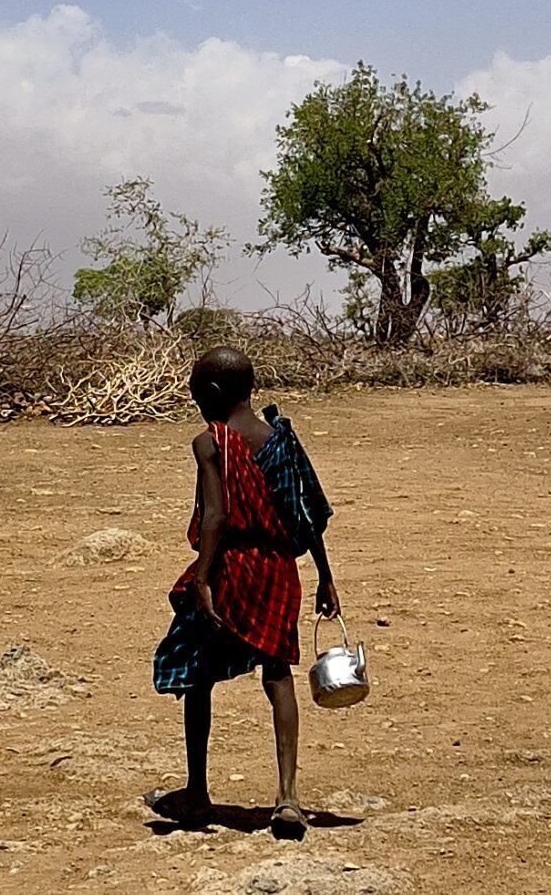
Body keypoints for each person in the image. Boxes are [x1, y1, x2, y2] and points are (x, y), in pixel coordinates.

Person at [144, 345, 339, 838]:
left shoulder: (211, 443)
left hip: (232, 569)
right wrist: (326, 577)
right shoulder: (281, 440)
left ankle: (196, 792)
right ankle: (289, 796)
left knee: (195, 672)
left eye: (193, 392)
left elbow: (216, 516)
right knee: (278, 674)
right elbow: (307, 515)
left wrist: (204, 578)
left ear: (209, 393)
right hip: (278, 570)